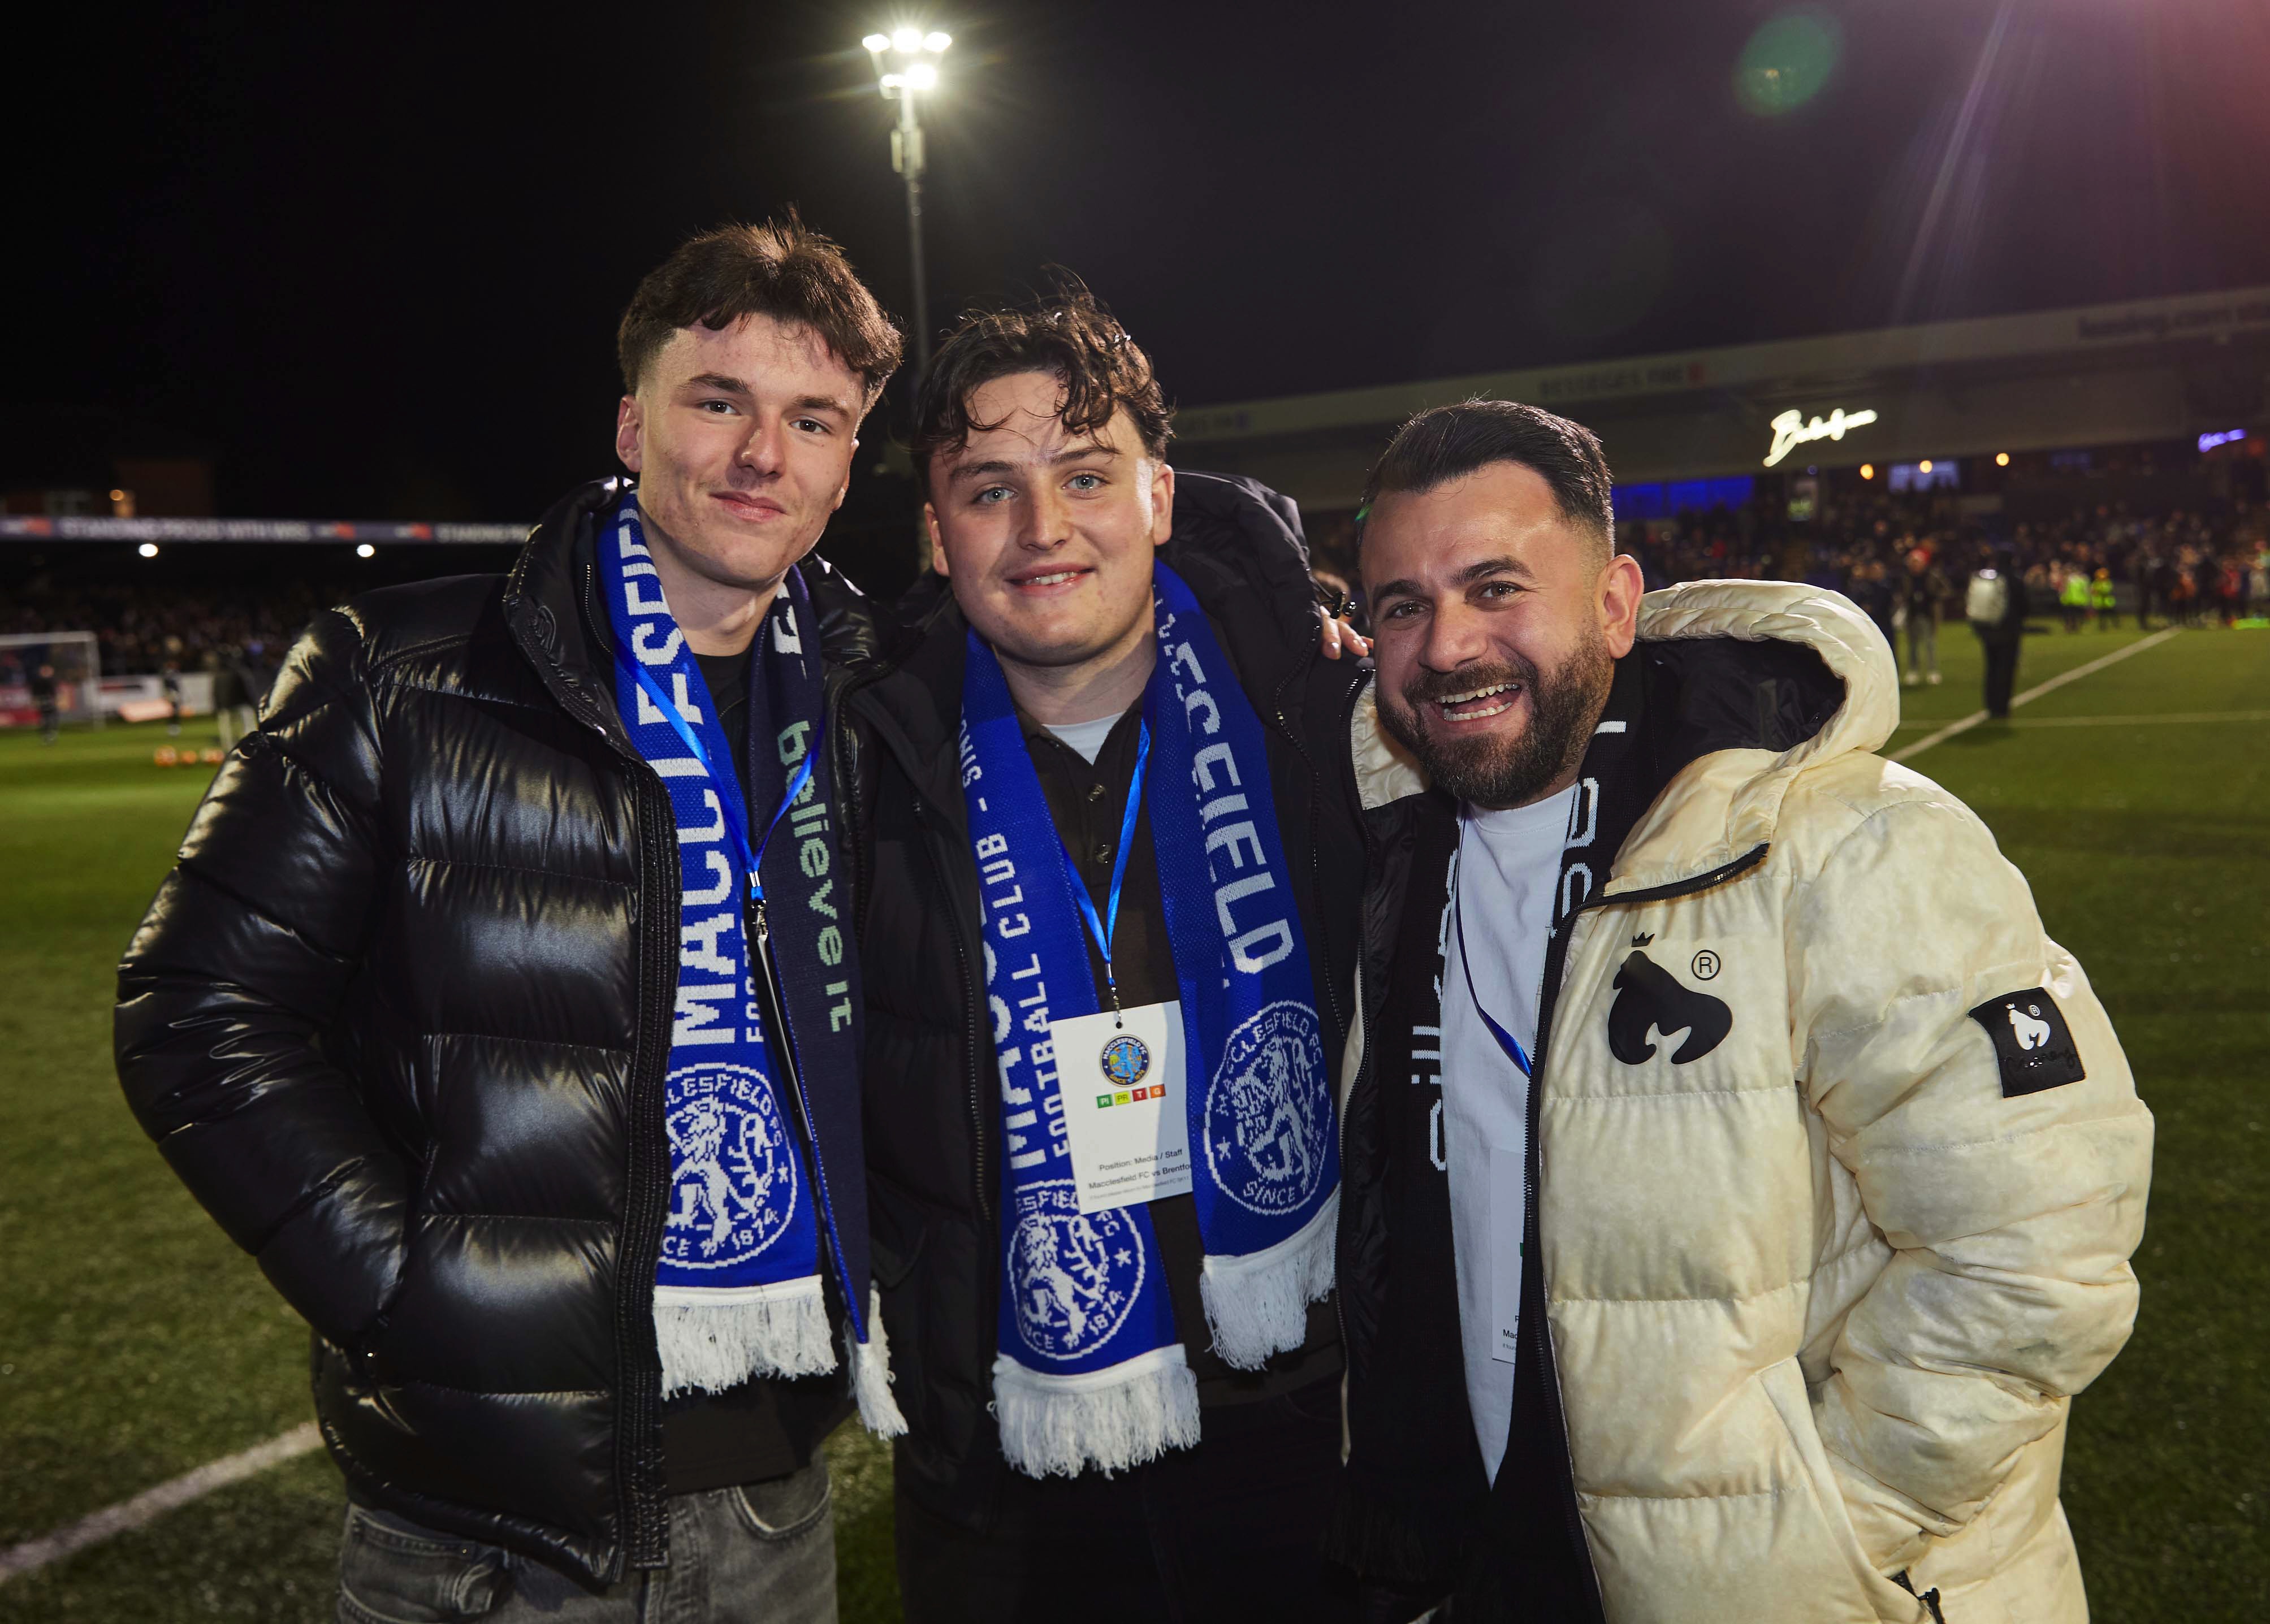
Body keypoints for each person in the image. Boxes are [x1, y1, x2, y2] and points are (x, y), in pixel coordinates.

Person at [116, 216, 912, 1622]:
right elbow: (195, 1011)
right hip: (487, 1537)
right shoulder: (400, 672)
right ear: (632, 423)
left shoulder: (875, 706)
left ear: (848, 463)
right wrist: (416, 1296)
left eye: (813, 420)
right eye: (717, 401)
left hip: (776, 1503)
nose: (762, 454)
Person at [1326, 400, 2151, 1623]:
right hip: (1480, 1560)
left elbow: (2042, 1244)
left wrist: (1811, 1535)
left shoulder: (1847, 840)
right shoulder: (1387, 850)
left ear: (1616, 602)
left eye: (1497, 587)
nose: (1448, 644)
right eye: (1402, 605)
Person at [847, 288, 1370, 1622]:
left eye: (1085, 475)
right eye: (989, 489)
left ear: (1158, 496)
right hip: (1007, 1448)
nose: (1042, 528)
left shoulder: (1314, 712)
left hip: (1306, 1402)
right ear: (935, 531)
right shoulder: (861, 763)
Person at [1969, 545, 2029, 719]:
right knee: (2006, 669)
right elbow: (2025, 607)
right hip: (2009, 631)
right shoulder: (2015, 580)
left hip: (1988, 630)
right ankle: (2002, 706)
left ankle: (1990, 704)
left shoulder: (1990, 579)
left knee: (1991, 667)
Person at [1897, 545, 1946, 685]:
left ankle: (1933, 671)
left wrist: (1935, 597)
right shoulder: (1906, 577)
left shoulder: (1932, 576)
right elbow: (1901, 593)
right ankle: (1913, 671)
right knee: (1912, 645)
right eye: (1913, 562)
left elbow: (1946, 590)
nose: (1915, 565)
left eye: (1917, 562)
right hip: (1912, 614)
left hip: (1928, 614)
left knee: (1930, 644)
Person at [30, 659, 60, 744]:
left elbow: (34, 692)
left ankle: (46, 734)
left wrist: (35, 700)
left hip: (42, 700)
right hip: (48, 700)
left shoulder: (37, 680)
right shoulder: (49, 680)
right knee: (51, 717)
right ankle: (50, 734)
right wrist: (55, 699)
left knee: (45, 718)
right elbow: (53, 692)